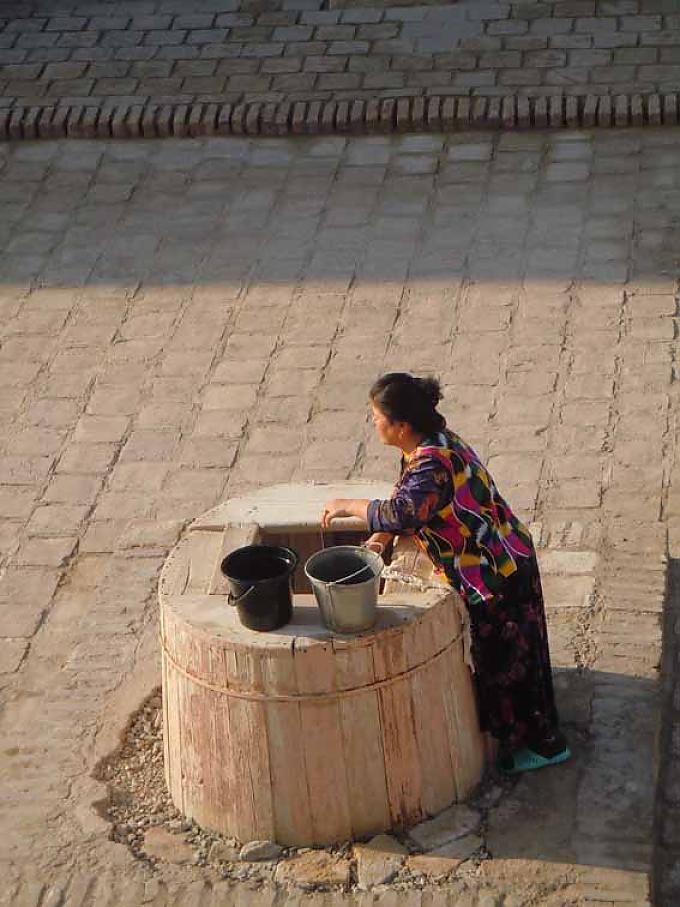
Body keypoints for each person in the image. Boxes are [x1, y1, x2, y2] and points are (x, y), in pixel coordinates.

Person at [321, 372, 570, 774]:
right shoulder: (431, 443)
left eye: (377, 417)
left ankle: (545, 745)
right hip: (508, 553)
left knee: (510, 665)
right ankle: (533, 732)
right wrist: (381, 538)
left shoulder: (430, 466)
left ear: (401, 426)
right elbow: (410, 504)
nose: (373, 423)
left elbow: (403, 511)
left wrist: (349, 506)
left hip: (493, 574)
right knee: (521, 656)